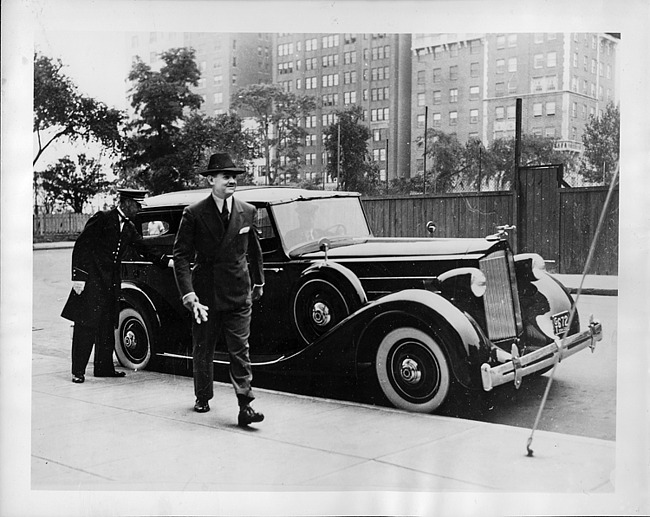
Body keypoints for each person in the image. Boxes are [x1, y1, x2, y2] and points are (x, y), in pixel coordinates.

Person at [172, 152, 265, 428]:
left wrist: (258, 281)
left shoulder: (247, 211)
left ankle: (245, 405)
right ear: (211, 180)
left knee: (240, 349)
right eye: (226, 176)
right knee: (204, 347)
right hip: (206, 295)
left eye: (234, 176)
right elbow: (180, 256)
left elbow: (254, 251)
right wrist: (189, 295)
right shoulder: (194, 213)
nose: (231, 180)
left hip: (238, 291)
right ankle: (203, 395)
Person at [61, 189, 173, 383]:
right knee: (86, 326)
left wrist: (166, 261)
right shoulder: (102, 218)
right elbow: (82, 245)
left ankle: (104, 368)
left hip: (111, 283)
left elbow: (143, 248)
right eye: (137, 205)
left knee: (107, 324)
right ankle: (77, 371)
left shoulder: (128, 227)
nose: (138, 210)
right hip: (91, 281)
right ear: (127, 203)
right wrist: (78, 277)